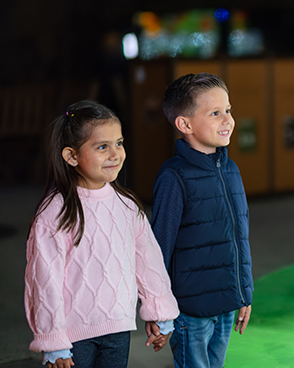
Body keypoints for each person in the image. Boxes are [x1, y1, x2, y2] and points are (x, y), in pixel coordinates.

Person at [24, 100, 180, 368]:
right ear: (72, 156)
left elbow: (148, 261)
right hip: (72, 338)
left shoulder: (127, 204)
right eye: (102, 147)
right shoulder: (54, 212)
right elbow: (44, 281)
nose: (115, 154)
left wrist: (160, 312)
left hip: (118, 328)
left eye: (119, 143)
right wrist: (52, 341)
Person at [150, 73, 253, 368]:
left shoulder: (231, 169)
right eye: (215, 113)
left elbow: (239, 237)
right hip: (190, 311)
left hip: (227, 305)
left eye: (228, 110)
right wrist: (159, 309)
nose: (227, 120)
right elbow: (159, 248)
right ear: (185, 124)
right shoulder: (174, 177)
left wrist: (244, 292)